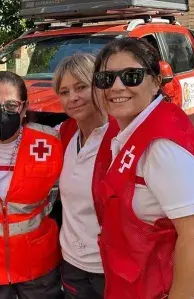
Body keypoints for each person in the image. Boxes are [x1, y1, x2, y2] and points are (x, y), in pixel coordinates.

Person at [92, 37, 194, 299]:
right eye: (106, 79)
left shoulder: (161, 148)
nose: (116, 87)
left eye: (131, 76)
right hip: (138, 280)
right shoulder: (130, 126)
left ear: (155, 81)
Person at [0, 71, 63, 299]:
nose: (2, 112)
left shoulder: (51, 143)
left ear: (24, 109)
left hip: (37, 262)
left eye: (11, 105)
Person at [52, 53, 117, 299]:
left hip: (109, 267)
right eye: (64, 92)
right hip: (72, 263)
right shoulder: (64, 134)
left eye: (81, 87)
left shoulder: (120, 137)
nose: (73, 98)